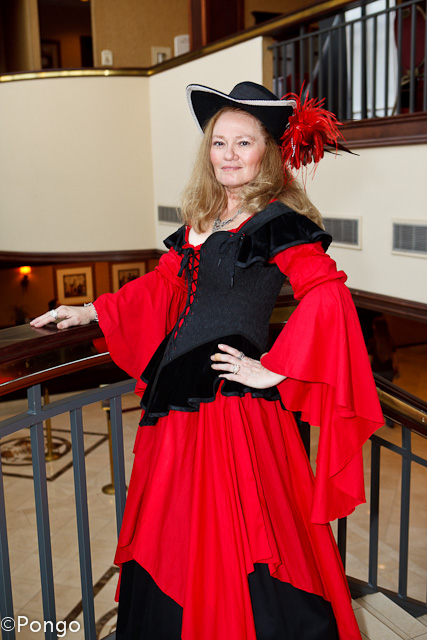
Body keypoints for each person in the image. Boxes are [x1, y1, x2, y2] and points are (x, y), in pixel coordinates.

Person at [31, 81, 384, 640]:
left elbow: (328, 293)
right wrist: (91, 311)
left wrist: (276, 367)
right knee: (174, 528)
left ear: (268, 151)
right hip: (175, 400)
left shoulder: (277, 221)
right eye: (219, 142)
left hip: (230, 406)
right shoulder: (204, 218)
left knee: (237, 533)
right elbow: (164, 286)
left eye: (244, 143)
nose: (228, 154)